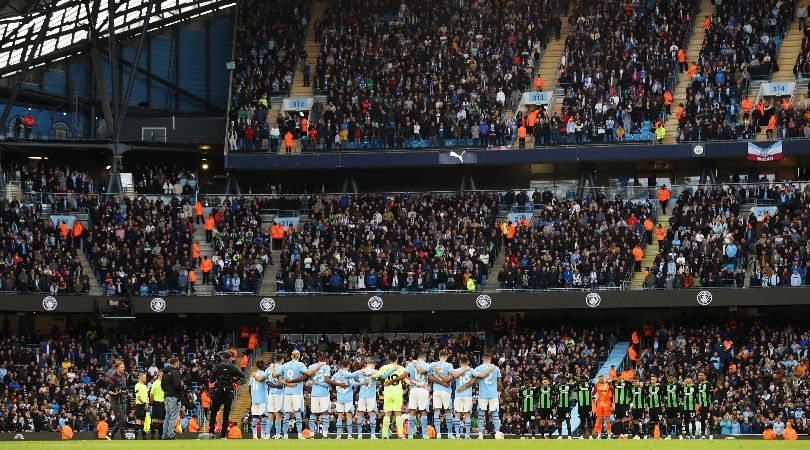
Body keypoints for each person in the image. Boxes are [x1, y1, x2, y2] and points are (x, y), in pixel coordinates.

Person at [271, 349, 324, 439]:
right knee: (298, 413)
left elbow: (275, 375)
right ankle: (299, 434)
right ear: (299, 356)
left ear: (291, 356)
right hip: (297, 392)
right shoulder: (300, 365)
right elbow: (309, 373)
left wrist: (271, 367)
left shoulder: (285, 365)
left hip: (287, 392)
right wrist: (319, 365)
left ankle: (285, 435)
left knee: (287, 414)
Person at [370, 351, 410, 439]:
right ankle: (400, 434)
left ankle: (385, 434)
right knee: (398, 413)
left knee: (387, 414)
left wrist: (367, 373)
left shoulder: (384, 367)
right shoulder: (401, 368)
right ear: (397, 359)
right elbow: (408, 381)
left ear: (389, 359)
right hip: (397, 392)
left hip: (387, 392)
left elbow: (375, 375)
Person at [209, 351, 245, 439]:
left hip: (218, 391)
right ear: (229, 358)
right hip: (228, 392)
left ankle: (211, 433)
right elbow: (242, 375)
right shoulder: (233, 367)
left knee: (213, 413)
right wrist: (234, 379)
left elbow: (211, 380)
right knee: (226, 414)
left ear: (222, 357)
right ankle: (223, 435)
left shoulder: (216, 366)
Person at [473, 353, 501, 439]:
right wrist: (499, 392)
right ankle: (497, 434)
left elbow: (475, 380)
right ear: (490, 358)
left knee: (481, 415)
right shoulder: (496, 368)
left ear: (482, 359)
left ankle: (480, 434)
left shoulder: (478, 368)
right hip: (493, 394)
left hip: (483, 394)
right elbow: (499, 383)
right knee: (495, 415)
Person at [331, 359, 361, 438]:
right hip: (348, 398)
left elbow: (330, 382)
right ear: (349, 365)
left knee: (339, 417)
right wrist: (362, 383)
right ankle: (350, 435)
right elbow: (353, 383)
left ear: (341, 365)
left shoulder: (336, 374)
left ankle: (338, 435)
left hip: (340, 398)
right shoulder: (349, 374)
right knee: (349, 417)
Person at [428, 350, 454, 439]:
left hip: (436, 391)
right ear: (446, 357)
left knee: (436, 411)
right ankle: (450, 434)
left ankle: (438, 434)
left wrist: (439, 381)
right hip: (446, 391)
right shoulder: (449, 365)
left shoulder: (433, 364)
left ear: (439, 356)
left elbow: (430, 377)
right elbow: (449, 378)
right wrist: (443, 383)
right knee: (448, 411)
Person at [405, 352, 431, 439]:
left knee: (412, 411)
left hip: (413, 389)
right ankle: (424, 434)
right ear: (425, 358)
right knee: (423, 411)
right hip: (423, 389)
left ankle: (410, 435)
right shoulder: (427, 365)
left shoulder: (411, 364)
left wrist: (413, 382)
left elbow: (404, 376)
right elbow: (430, 377)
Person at [354, 358, 379, 439]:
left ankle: (359, 435)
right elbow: (382, 375)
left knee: (360, 414)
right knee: (372, 414)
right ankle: (372, 435)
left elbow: (351, 376)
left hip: (361, 395)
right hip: (371, 396)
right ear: (372, 364)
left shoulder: (360, 371)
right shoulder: (375, 371)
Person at [107, 361, 129, 439]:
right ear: (117, 368)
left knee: (123, 419)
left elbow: (124, 388)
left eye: (123, 367)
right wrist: (116, 393)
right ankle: (124, 437)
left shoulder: (124, 376)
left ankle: (111, 434)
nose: (123, 368)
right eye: (121, 367)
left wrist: (127, 393)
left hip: (123, 400)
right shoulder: (113, 377)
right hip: (115, 401)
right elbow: (109, 391)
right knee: (121, 419)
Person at [162, 357, 183, 440]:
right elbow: (177, 385)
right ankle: (171, 434)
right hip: (174, 397)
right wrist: (182, 388)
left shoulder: (164, 373)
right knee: (173, 417)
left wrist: (168, 391)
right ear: (176, 363)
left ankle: (165, 435)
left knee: (167, 417)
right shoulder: (174, 372)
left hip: (167, 396)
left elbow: (162, 386)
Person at [249, 360, 269, 439]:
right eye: (265, 365)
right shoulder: (264, 374)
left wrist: (252, 397)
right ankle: (263, 435)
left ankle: (254, 435)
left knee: (255, 417)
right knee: (264, 416)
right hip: (262, 398)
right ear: (263, 365)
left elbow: (249, 387)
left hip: (254, 398)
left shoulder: (252, 375)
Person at [591, 373, 613, 438]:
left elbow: (613, 391)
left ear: (604, 378)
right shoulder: (597, 384)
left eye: (602, 378)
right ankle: (599, 434)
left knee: (607, 419)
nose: (601, 379)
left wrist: (612, 404)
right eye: (600, 379)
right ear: (599, 379)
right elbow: (593, 393)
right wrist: (594, 386)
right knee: (599, 419)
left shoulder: (608, 384)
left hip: (607, 404)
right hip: (599, 404)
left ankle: (609, 434)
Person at [150, 370, 166, 440]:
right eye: (163, 375)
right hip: (157, 402)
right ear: (159, 375)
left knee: (161, 421)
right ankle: (153, 436)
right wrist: (152, 402)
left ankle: (159, 436)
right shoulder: (156, 383)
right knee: (156, 420)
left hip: (162, 403)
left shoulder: (164, 383)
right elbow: (151, 394)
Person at [134, 372, 149, 439]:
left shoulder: (145, 386)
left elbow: (147, 396)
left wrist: (147, 403)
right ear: (140, 377)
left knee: (144, 421)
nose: (145, 378)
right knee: (139, 421)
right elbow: (138, 397)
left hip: (145, 405)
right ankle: (136, 437)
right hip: (140, 405)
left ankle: (143, 437)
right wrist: (144, 403)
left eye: (145, 377)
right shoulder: (137, 385)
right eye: (144, 377)